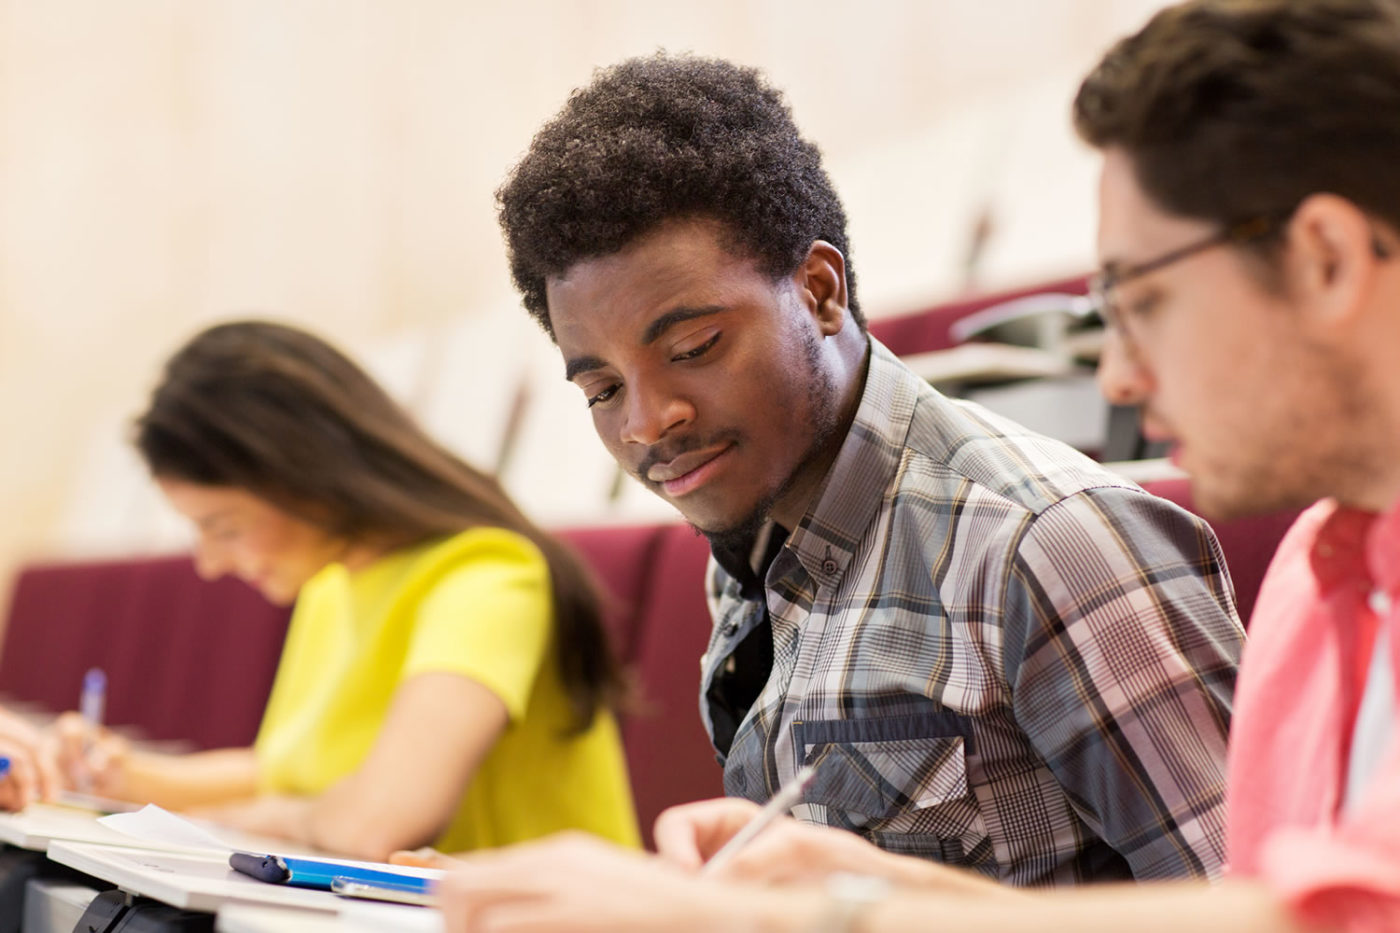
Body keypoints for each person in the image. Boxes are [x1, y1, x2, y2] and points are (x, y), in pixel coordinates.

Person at [435, 1, 1400, 930]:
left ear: (819, 291)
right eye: (601, 389)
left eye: (691, 348)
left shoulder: (1045, 540)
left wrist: (808, 916)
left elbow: (1272, 905)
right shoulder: (1327, 575)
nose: (649, 424)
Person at [51, 320, 639, 860]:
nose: (208, 564)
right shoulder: (332, 585)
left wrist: (257, 817)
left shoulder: (487, 577)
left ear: (302, 477)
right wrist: (122, 774)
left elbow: (375, 823)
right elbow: (287, 771)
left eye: (223, 527)